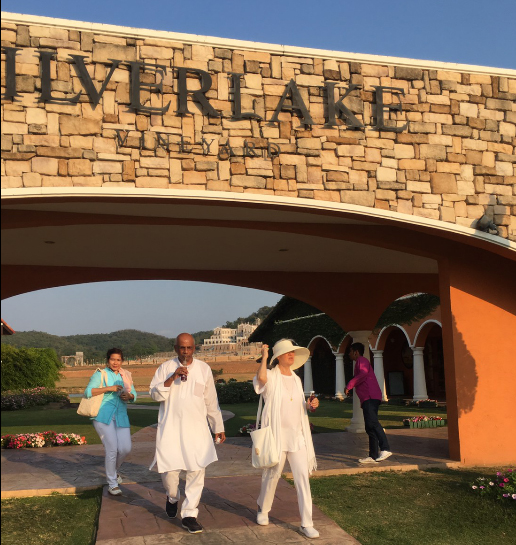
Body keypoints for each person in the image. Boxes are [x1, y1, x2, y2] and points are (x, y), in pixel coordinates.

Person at [149, 333, 226, 535]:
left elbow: (210, 400)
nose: (185, 352)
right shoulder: (165, 368)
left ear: (194, 348)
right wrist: (172, 377)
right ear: (176, 348)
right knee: (170, 474)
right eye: (182, 348)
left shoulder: (203, 369)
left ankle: (189, 515)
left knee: (196, 471)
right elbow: (154, 394)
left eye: (189, 348)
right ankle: (172, 497)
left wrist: (217, 426)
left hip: (197, 431)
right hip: (171, 430)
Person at [254, 339, 320, 540]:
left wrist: (310, 405)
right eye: (288, 352)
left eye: (293, 352)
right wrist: (264, 357)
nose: (292, 355)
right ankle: (263, 509)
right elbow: (261, 379)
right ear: (278, 357)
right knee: (272, 476)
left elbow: (299, 405)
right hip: (277, 436)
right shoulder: (271, 376)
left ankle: (307, 523)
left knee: (302, 479)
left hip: (297, 436)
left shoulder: (296, 379)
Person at [84, 348, 137, 496]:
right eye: (113, 359)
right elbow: (88, 392)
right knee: (112, 449)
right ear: (108, 360)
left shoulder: (125, 375)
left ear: (122, 361)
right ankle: (112, 484)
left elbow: (134, 393)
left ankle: (113, 471)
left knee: (125, 448)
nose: (115, 362)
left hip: (121, 416)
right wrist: (109, 388)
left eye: (118, 360)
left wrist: (129, 396)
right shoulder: (100, 374)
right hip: (103, 416)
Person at [345, 342, 392, 464]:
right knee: (369, 427)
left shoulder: (362, 360)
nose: (349, 354)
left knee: (373, 422)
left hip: (371, 397)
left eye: (350, 351)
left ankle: (385, 448)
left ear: (356, 352)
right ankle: (373, 456)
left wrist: (349, 385)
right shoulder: (359, 362)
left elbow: (363, 373)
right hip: (367, 399)